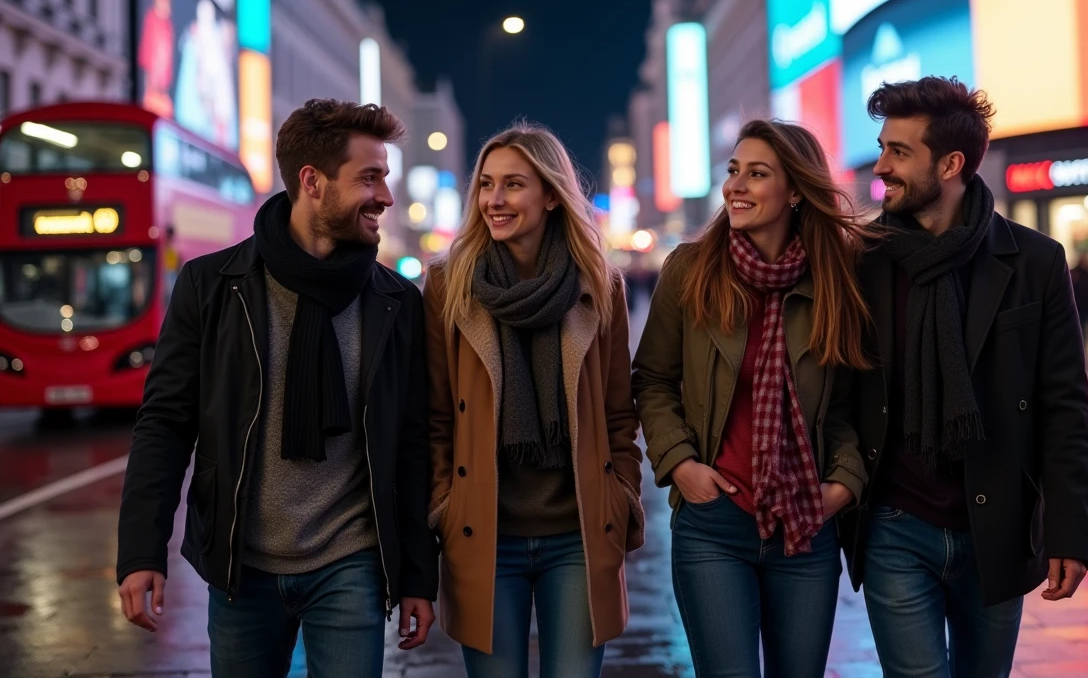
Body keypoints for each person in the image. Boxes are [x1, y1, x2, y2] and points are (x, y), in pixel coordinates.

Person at [116, 99, 438, 677]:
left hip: (351, 561)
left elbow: (412, 444)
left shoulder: (396, 302)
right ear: (312, 182)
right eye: (369, 178)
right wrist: (142, 551)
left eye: (384, 178)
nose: (385, 197)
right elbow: (165, 423)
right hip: (243, 563)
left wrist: (418, 575)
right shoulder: (212, 286)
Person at [837, 77, 1088, 677]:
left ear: (951, 163)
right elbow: (840, 394)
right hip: (893, 524)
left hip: (997, 523)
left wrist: (1070, 530)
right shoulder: (860, 262)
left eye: (899, 152)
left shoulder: (1034, 262)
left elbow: (1064, 405)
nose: (881, 167)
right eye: (883, 148)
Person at [633, 119, 873, 678]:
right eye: (734, 170)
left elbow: (854, 400)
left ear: (795, 190)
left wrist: (843, 482)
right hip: (714, 523)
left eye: (757, 174)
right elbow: (653, 379)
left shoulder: (838, 278)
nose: (736, 185)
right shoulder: (691, 271)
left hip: (806, 523)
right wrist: (682, 464)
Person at [423, 123, 644, 678]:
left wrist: (621, 496)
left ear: (551, 194)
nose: (494, 200)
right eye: (486, 185)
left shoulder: (600, 285)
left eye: (513, 185)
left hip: (578, 534)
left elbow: (620, 414)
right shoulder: (449, 286)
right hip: (484, 532)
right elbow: (435, 418)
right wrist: (445, 506)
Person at [1071, 254, 1088, 336]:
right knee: (1080, 325)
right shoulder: (1075, 273)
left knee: (1084, 325)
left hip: (1087, 305)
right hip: (1077, 304)